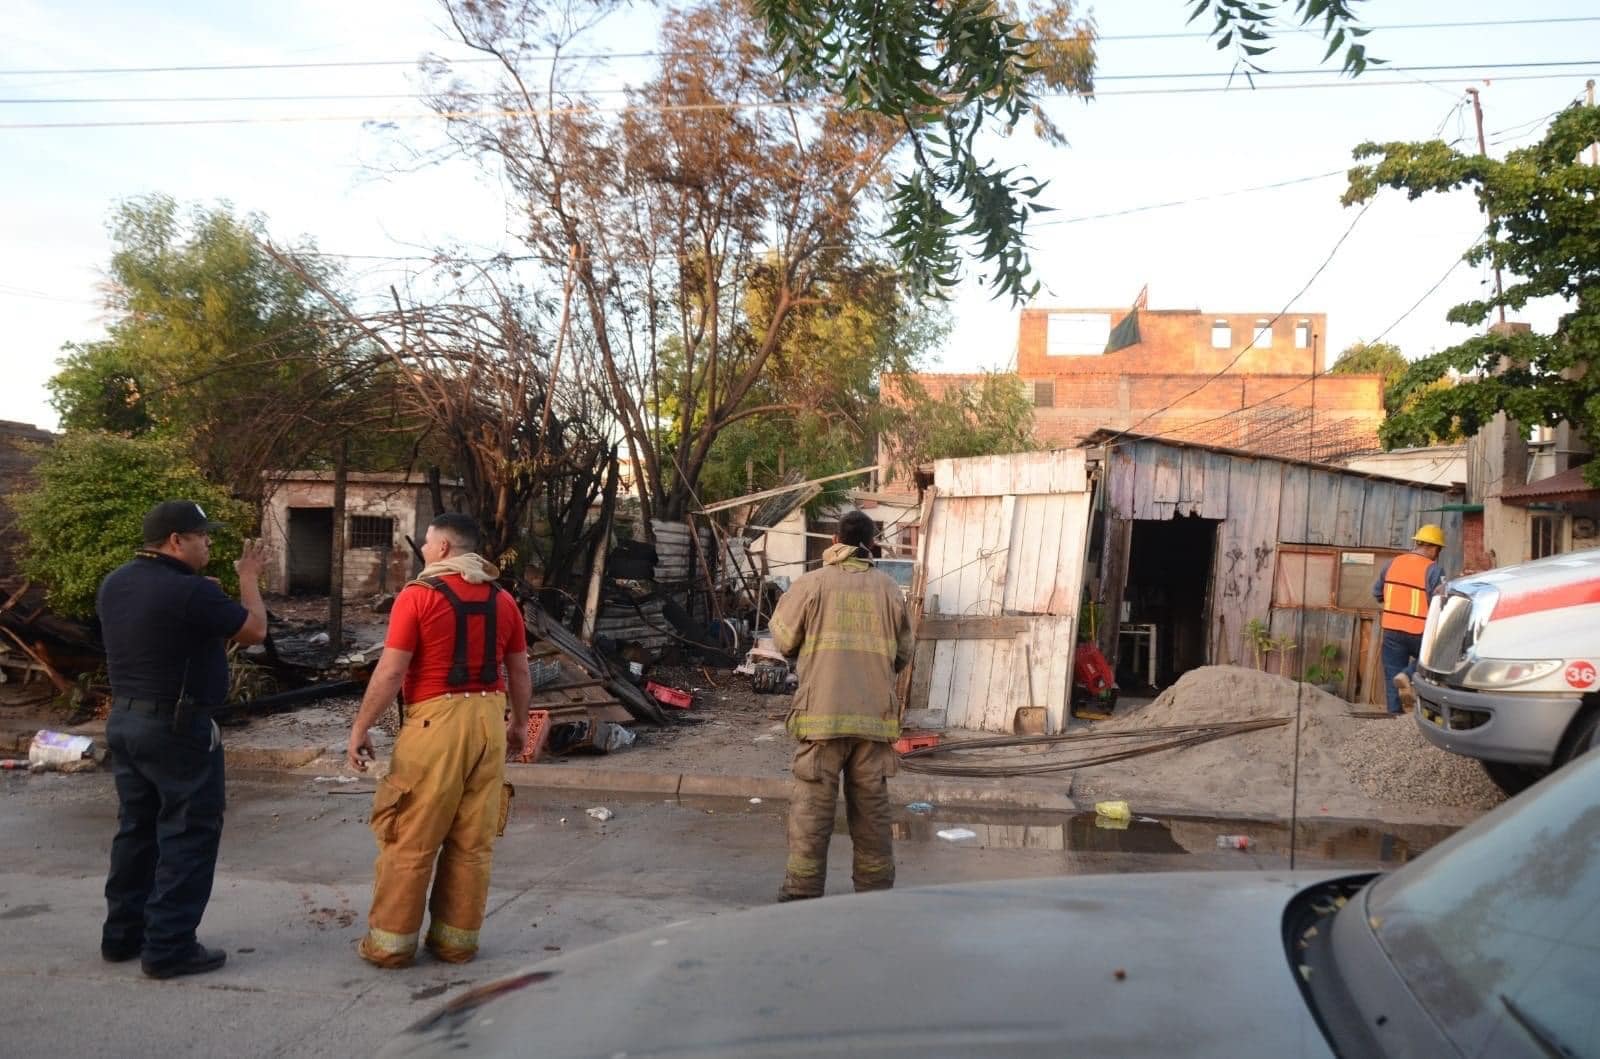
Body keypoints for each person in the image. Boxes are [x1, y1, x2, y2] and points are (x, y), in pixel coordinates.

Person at [347, 512, 531, 968]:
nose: (424, 550)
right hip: (489, 722)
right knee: (473, 843)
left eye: (428, 543)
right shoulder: (502, 599)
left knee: (411, 837)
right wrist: (517, 725)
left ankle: (391, 947)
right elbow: (520, 671)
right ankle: (455, 944)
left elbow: (391, 671)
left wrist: (360, 727)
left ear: (445, 548)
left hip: (436, 725)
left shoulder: (418, 597)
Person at [97, 500, 269, 979]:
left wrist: (205, 596)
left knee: (137, 829)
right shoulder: (190, 591)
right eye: (201, 536)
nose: (208, 542)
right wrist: (249, 578)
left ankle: (122, 936)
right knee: (188, 832)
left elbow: (165, 635)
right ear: (176, 541)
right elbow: (254, 631)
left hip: (127, 722)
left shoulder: (117, 583)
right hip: (177, 728)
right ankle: (169, 947)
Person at [770, 509, 913, 902]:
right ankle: (875, 895)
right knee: (872, 814)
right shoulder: (889, 590)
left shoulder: (811, 584)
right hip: (873, 723)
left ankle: (802, 893)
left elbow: (782, 640)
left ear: (835, 541)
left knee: (812, 812)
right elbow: (903, 655)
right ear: (871, 544)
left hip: (821, 720)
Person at [1373, 524, 1447, 715]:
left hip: (1391, 629)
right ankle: (1408, 677)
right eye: (1438, 549)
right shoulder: (1433, 570)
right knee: (1433, 659)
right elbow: (1439, 602)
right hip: (1419, 629)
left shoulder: (1392, 563)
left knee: (1391, 675)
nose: (1437, 554)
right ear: (1431, 547)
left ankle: (1394, 718)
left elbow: (1377, 594)